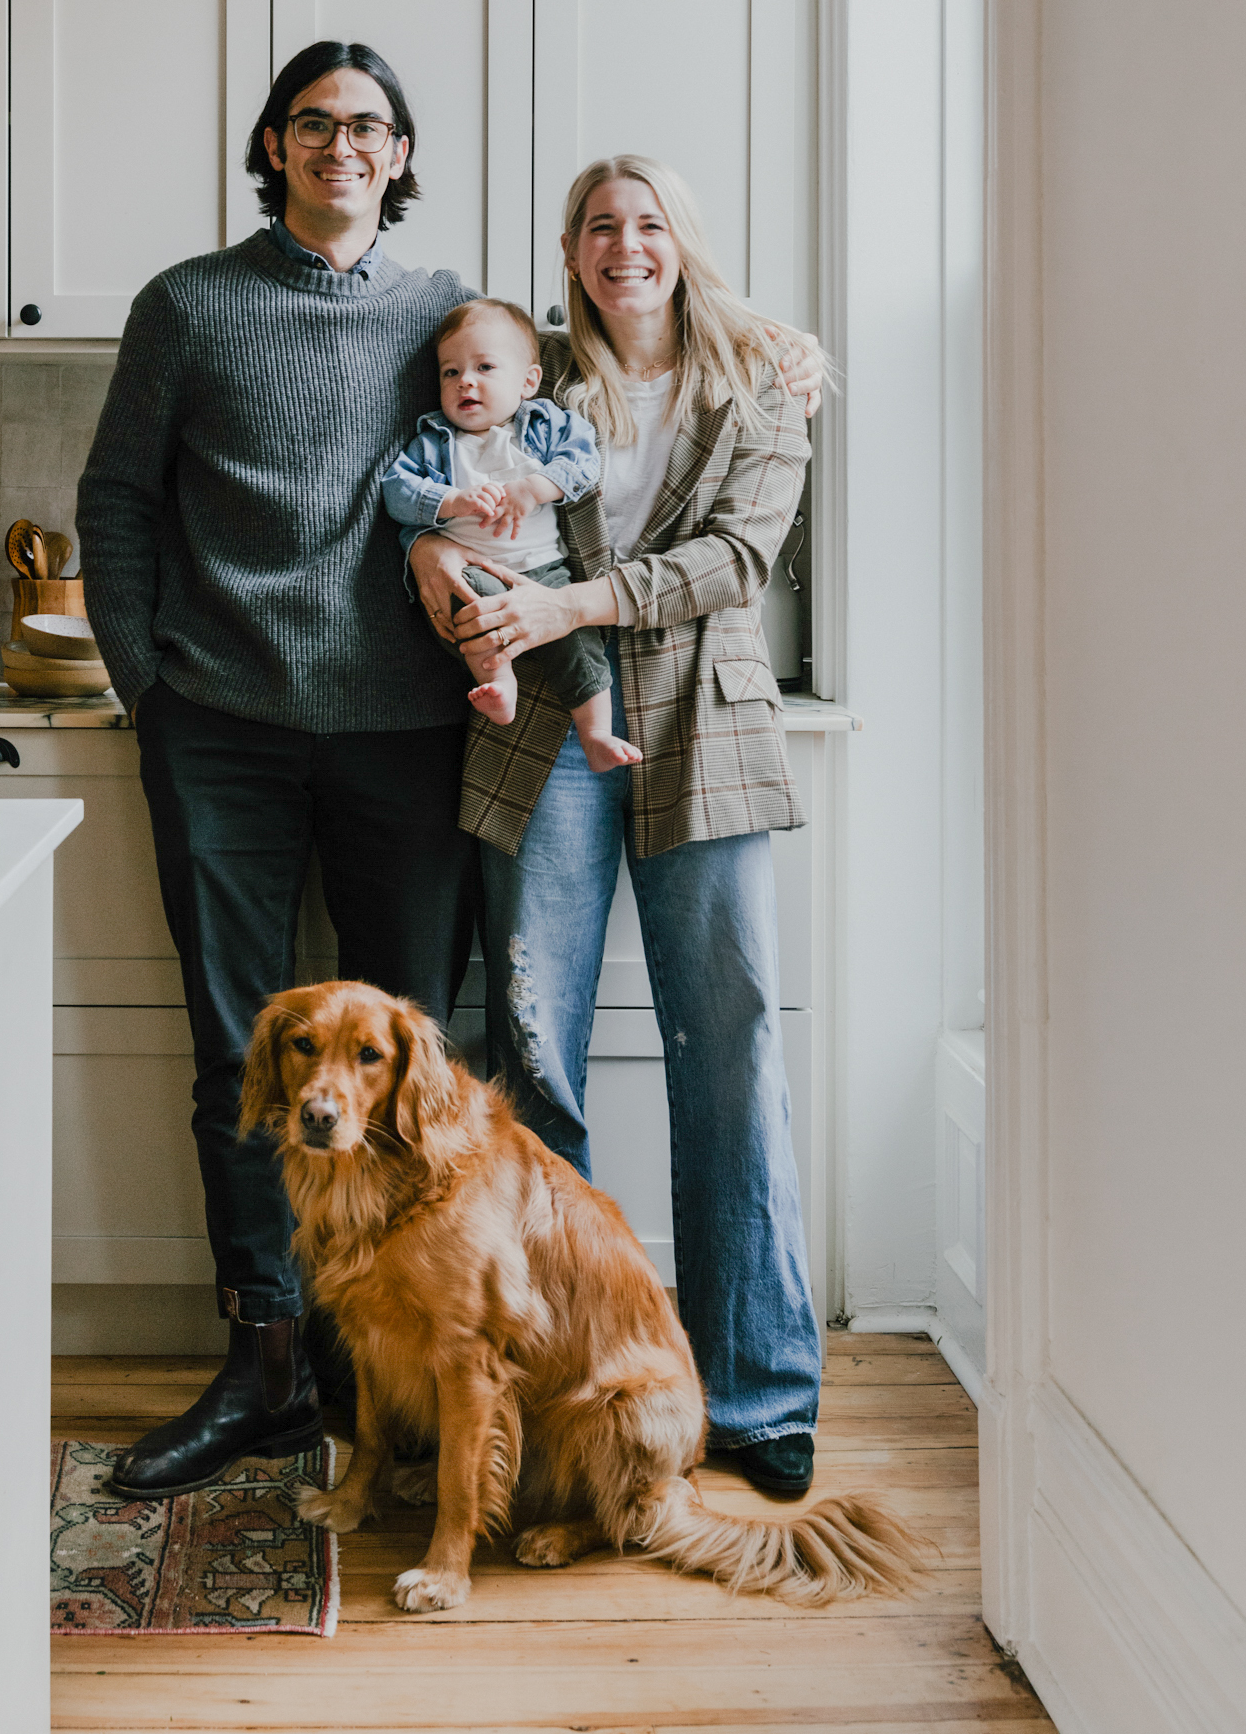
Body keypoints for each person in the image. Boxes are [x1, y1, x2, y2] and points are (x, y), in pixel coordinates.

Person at [77, 40, 488, 1498]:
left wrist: (782, 353)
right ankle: (261, 1365)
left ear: (397, 151)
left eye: (367, 126)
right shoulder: (189, 305)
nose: (340, 146)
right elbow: (116, 497)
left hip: (406, 728)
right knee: (242, 1061)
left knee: (413, 1068)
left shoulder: (448, 312)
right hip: (223, 728)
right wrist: (146, 678)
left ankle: (376, 1361)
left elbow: (591, 404)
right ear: (273, 143)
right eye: (313, 124)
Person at [407, 154, 828, 1501]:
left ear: (682, 245)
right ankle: (557, 1375)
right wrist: (442, 560)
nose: (622, 247)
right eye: (598, 227)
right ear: (571, 253)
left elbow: (737, 562)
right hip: (544, 735)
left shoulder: (762, 382)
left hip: (707, 724)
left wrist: (574, 608)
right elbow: (442, 496)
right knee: (534, 1058)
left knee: (733, 1046)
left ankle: (756, 1392)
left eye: (648, 226)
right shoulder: (535, 389)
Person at [380, 297, 640, 770]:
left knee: (579, 645)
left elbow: (584, 462)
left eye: (484, 367)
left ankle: (597, 732)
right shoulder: (435, 441)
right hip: (476, 569)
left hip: (545, 571)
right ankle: (501, 687)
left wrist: (533, 489)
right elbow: (397, 491)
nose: (466, 382)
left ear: (528, 381)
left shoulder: (542, 425)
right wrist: (450, 502)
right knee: (474, 608)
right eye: (450, 372)